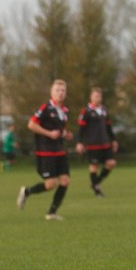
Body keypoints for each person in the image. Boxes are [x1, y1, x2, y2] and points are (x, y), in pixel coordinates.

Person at [16, 79, 73, 221]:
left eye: (63, 91)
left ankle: (52, 212)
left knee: (65, 181)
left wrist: (66, 134)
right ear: (51, 93)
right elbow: (31, 125)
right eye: (57, 90)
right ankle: (27, 191)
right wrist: (49, 133)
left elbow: (61, 130)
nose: (60, 93)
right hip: (45, 152)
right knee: (51, 184)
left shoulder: (65, 111)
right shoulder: (45, 109)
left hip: (60, 151)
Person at [75, 87, 118, 197]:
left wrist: (113, 140)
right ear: (91, 97)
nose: (98, 98)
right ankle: (97, 191)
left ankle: (96, 182)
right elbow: (81, 128)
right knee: (94, 166)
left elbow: (108, 126)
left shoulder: (104, 110)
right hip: (93, 144)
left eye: (99, 96)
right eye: (95, 96)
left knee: (111, 163)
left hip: (105, 143)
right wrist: (79, 142)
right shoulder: (86, 111)